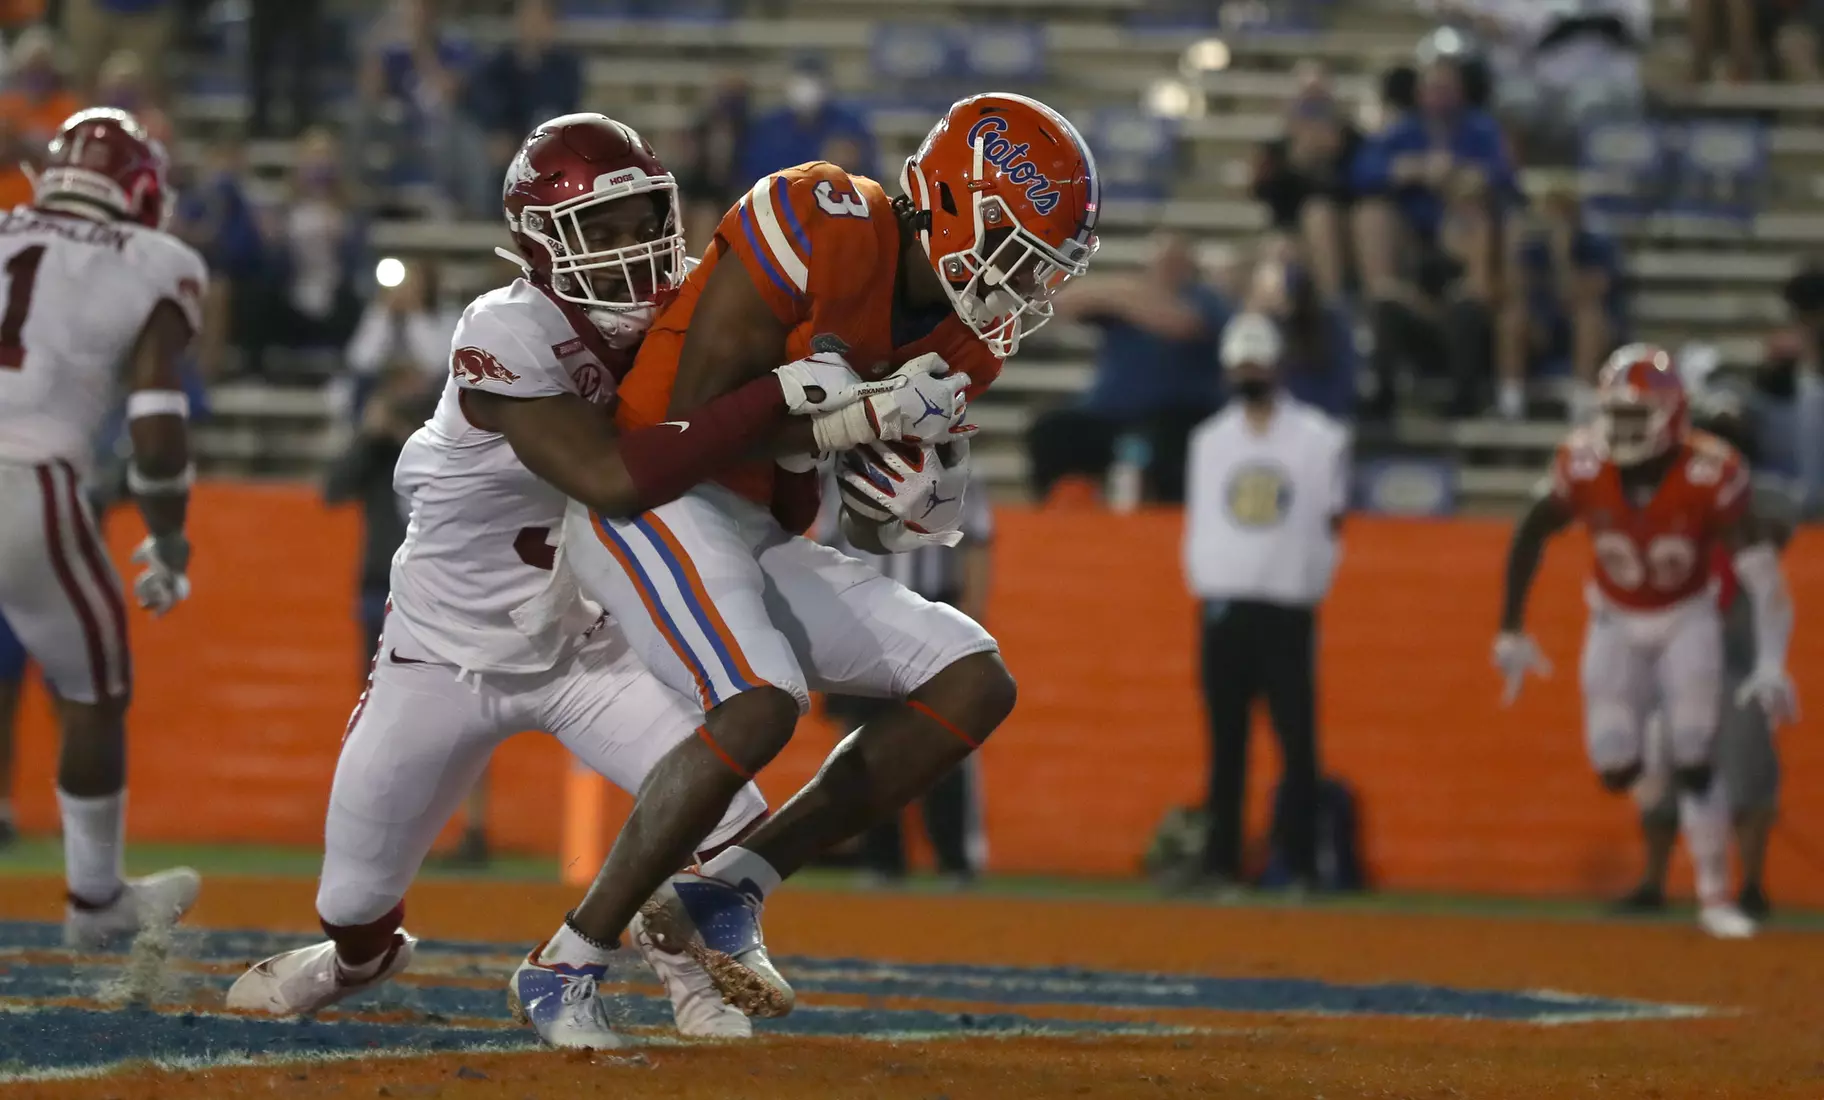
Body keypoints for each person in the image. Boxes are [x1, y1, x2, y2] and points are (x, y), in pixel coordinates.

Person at [223, 112, 936, 1042]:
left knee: (729, 813)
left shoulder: (692, 314)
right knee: (354, 901)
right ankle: (353, 961)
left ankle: (687, 973)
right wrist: (777, 398)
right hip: (442, 655)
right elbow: (611, 479)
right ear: (538, 245)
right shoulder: (506, 327)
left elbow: (771, 485)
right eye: (596, 229)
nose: (631, 246)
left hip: (589, 646)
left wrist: (853, 440)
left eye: (641, 218)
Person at [535, 92, 1093, 1047]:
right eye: (1017, 253)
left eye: (1041, 271)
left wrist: (905, 500)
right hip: (653, 493)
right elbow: (702, 408)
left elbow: (866, 514)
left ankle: (728, 890)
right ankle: (568, 959)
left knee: (971, 679)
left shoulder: (967, 341)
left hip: (757, 522)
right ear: (956, 204)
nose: (1022, 287)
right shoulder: (822, 216)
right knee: (760, 702)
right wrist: (862, 418)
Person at [1493, 344, 1797, 940]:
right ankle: (1657, 753)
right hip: (1614, 619)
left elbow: (1764, 579)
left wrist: (1770, 662)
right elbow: (1531, 531)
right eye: (1613, 415)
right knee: (1614, 766)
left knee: (1694, 756)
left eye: (1634, 417)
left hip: (1689, 617)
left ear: (1669, 416)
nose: (1619, 429)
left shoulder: (1711, 472)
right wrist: (1509, 626)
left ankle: (1714, 898)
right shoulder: (1582, 465)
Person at [0, 108, 204, 945]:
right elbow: (156, 411)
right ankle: (94, 902)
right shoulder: (157, 259)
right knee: (95, 688)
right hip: (25, 476)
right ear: (141, 190)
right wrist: (167, 532)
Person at [1181, 313, 1350, 894]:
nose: (1249, 373)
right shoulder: (1208, 440)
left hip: (1285, 607)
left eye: (1257, 362)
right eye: (1241, 363)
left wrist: (1312, 583)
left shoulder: (1319, 439)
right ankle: (1223, 863)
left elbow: (1332, 521)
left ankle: (1301, 864)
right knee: (1226, 746)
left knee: (1298, 742)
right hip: (1224, 606)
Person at [1618, 399, 1795, 921]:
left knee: (1749, 772)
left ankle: (1754, 885)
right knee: (1662, 776)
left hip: (1734, 658)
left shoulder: (1763, 500)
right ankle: (1652, 881)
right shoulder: (1676, 495)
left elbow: (1773, 532)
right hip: (1675, 653)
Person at [817, 462, 995, 886]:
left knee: (942, 738)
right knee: (864, 743)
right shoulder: (844, 467)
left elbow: (977, 545)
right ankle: (881, 859)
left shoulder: (957, 466)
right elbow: (827, 550)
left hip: (932, 609)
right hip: (863, 614)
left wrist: (969, 622)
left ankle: (954, 860)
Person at [1351, 56, 1517, 418]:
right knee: (1372, 214)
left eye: (1446, 88)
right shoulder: (1404, 131)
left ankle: (1466, 394)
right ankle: (1377, 320)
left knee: (1472, 212)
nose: (1438, 96)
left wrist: (1465, 177)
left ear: (1461, 92)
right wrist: (1410, 170)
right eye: (1431, 88)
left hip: (1468, 259)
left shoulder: (1481, 130)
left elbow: (1505, 179)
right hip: (1414, 254)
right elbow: (1362, 173)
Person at [1025, 232, 1228, 504]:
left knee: (1172, 446)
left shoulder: (1205, 299)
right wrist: (1128, 296)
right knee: (1051, 431)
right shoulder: (1129, 295)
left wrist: (1123, 298)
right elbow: (1063, 302)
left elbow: (1181, 324)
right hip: (1108, 414)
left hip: (1174, 416)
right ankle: (1058, 513)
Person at [1501, 182, 1626, 421]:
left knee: (1587, 317)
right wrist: (1512, 248)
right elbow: (1512, 291)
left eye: (1561, 213)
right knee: (1512, 318)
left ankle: (1581, 403)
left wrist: (1562, 255)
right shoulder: (1534, 247)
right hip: (1546, 328)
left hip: (1593, 332)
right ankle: (1510, 401)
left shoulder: (1597, 245)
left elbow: (1576, 293)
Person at [0, 27, 80, 212]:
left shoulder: (68, 108)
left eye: (43, 67)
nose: (36, 74)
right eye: (31, 67)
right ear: (20, 69)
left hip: (46, 197)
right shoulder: (6, 104)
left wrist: (22, 143)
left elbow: (68, 159)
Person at [0, 612, 22, 845]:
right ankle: (1, 811)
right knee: (2, 703)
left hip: (54, 594)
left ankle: (75, 817)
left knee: (76, 698)